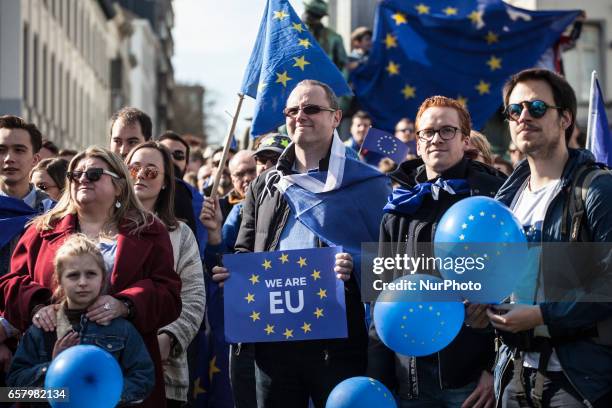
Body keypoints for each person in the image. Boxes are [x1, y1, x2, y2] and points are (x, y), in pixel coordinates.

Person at [207, 79, 391, 407]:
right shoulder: (265, 184)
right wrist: (233, 273)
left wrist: (355, 265)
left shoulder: (367, 183)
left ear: (336, 118)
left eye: (311, 109)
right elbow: (244, 249)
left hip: (338, 341)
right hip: (272, 340)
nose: (300, 116)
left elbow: (389, 266)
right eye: (293, 110)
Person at [0, 146, 182, 407]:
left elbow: (169, 293)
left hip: (122, 378)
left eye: (94, 174)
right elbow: (9, 283)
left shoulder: (149, 230)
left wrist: (125, 305)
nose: (83, 179)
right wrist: (38, 306)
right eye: (75, 175)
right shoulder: (42, 229)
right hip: (49, 378)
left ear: (119, 185)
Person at [370, 96, 505, 408]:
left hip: (470, 382)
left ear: (465, 139)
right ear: (417, 144)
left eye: (447, 131)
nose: (436, 139)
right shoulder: (398, 208)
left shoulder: (493, 198)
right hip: (411, 379)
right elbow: (380, 297)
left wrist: (494, 367)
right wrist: (379, 380)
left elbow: (519, 286)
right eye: (428, 132)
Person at [489, 68, 612, 408]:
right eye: (515, 110)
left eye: (537, 107)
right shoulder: (504, 200)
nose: (524, 117)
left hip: (579, 379)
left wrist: (542, 314)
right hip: (513, 374)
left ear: (565, 119)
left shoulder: (597, 189)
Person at [7, 234, 155, 404]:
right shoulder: (43, 328)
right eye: (73, 275)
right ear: (59, 281)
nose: (82, 282)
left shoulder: (121, 329)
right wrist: (54, 367)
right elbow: (12, 392)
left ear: (102, 279)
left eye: (91, 274)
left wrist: (104, 393)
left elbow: (144, 380)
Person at [126, 141, 205, 407]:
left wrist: (169, 339)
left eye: (150, 171)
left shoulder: (180, 235)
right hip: (104, 369)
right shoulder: (100, 227)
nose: (139, 176)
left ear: (164, 183)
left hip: (164, 372)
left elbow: (193, 298)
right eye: (134, 168)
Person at [302, 0, 347, 71]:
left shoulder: (334, 37)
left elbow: (342, 64)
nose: (305, 14)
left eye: (308, 12)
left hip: (326, 78)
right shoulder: (298, 34)